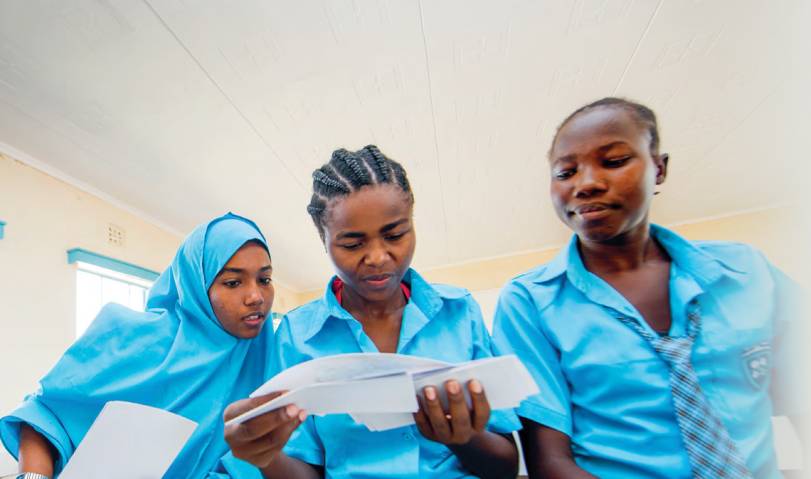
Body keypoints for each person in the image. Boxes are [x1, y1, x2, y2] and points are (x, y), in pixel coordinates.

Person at [492, 97, 807, 478]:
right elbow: (550, 463)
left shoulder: (747, 271)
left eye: (613, 161)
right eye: (566, 172)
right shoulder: (530, 302)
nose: (587, 184)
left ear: (658, 169)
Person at [223, 145, 520, 479]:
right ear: (324, 240)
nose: (378, 257)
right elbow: (305, 468)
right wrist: (264, 456)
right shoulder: (297, 333)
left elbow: (506, 467)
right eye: (352, 244)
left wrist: (463, 437)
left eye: (395, 235)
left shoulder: (460, 312)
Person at [0, 212, 277, 478]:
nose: (255, 296)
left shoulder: (269, 362)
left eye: (264, 280)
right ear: (196, 286)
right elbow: (42, 415)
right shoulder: (124, 336)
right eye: (232, 282)